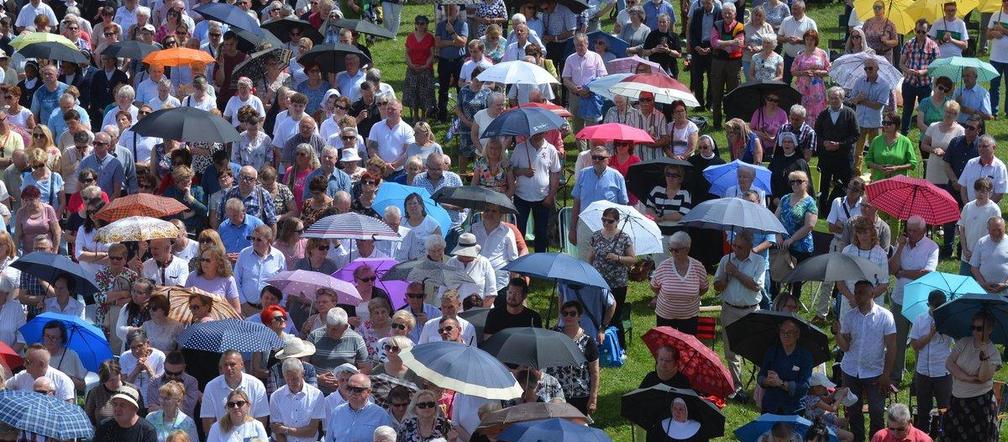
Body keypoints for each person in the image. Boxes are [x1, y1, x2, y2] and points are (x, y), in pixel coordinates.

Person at [835, 280, 897, 442]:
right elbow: (845, 347)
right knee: (854, 412)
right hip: (850, 370)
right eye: (856, 292)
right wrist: (837, 334)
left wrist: (886, 374)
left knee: (877, 412)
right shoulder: (850, 316)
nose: (857, 295)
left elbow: (892, 347)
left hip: (875, 372)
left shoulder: (885, 316)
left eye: (861, 292)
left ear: (872, 294)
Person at [714, 230, 766, 401]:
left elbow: (756, 286)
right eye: (734, 245)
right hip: (729, 309)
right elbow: (717, 287)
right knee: (731, 351)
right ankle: (737, 387)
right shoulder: (725, 260)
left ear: (750, 247)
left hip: (751, 311)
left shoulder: (759, 262)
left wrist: (736, 273)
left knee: (758, 350)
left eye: (740, 247)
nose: (735, 249)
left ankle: (761, 388)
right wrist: (726, 276)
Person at [944, 311, 1001, 439]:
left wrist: (985, 354)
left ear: (989, 330)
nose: (975, 332)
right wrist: (967, 378)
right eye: (973, 327)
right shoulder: (964, 342)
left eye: (979, 328)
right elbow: (949, 363)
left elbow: (983, 377)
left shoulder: (993, 352)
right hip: (957, 400)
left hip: (980, 404)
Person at [907, 290, 953, 431]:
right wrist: (931, 334)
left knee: (944, 408)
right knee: (923, 409)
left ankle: (944, 435)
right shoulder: (920, 320)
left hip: (942, 371)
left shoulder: (950, 319)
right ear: (929, 304)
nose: (938, 309)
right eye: (935, 306)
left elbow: (959, 340)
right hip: (923, 372)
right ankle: (923, 435)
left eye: (941, 305)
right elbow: (915, 345)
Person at [571, 146, 629, 253]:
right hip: (585, 225)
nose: (597, 160)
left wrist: (619, 230)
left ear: (608, 159)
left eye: (600, 158)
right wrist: (572, 229)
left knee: (606, 262)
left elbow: (623, 206)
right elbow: (576, 203)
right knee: (585, 263)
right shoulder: (583, 174)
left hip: (608, 225)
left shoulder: (617, 177)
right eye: (594, 157)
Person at [650, 231, 708, 334]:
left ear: (687, 249)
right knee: (666, 348)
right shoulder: (663, 266)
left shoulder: (698, 267)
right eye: (670, 249)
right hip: (665, 315)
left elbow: (704, 288)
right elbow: (654, 286)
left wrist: (690, 296)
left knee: (687, 349)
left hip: (689, 316)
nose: (673, 253)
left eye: (676, 250)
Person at [200, 351, 269, 433]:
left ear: (242, 365)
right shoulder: (211, 387)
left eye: (232, 364)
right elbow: (207, 425)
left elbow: (262, 422)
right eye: (225, 365)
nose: (229, 368)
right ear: (221, 367)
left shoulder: (257, 385)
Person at [307, 307, 370, 395]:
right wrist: (316, 378)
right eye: (328, 326)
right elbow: (304, 364)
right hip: (317, 391)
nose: (329, 331)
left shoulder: (356, 339)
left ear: (345, 327)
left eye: (334, 329)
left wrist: (346, 379)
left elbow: (366, 368)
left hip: (346, 393)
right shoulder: (315, 336)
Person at [562, 33, 608, 151]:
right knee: (578, 129)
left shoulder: (596, 57)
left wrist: (588, 89)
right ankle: (583, 154)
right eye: (577, 45)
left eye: (581, 45)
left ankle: (593, 152)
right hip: (576, 96)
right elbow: (565, 79)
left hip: (591, 97)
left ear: (587, 44)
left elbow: (603, 76)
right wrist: (574, 88)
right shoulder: (570, 59)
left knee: (592, 128)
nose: (579, 48)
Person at [776, 170, 818, 298]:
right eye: (792, 181)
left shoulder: (810, 202)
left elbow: (809, 225)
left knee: (796, 281)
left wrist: (792, 239)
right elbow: (775, 218)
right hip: (782, 244)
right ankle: (777, 301)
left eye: (799, 181)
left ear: (806, 183)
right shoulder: (785, 198)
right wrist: (778, 235)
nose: (795, 184)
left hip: (801, 247)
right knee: (776, 273)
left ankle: (793, 304)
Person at [758, 318, 813, 414]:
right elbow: (760, 376)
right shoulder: (772, 351)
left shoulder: (805, 356)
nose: (785, 335)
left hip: (793, 408)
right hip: (770, 405)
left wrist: (781, 384)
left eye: (789, 332)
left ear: (797, 334)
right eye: (782, 332)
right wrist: (766, 381)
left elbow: (804, 386)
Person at [268, 358, 325, 442]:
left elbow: (311, 431)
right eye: (288, 379)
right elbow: (278, 432)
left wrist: (285, 430)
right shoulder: (276, 396)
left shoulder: (316, 395)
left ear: (302, 374)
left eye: (295, 378)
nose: (291, 382)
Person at [901, 19, 941, 133]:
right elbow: (901, 63)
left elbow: (936, 66)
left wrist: (923, 72)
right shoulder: (908, 44)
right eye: (918, 31)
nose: (920, 34)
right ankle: (904, 135)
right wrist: (908, 70)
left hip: (925, 84)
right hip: (909, 82)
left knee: (924, 112)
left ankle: (924, 136)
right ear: (915, 30)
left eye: (923, 32)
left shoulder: (933, 46)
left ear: (927, 30)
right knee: (907, 111)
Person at [851, 58, 889, 174]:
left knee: (875, 152)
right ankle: (856, 175)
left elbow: (878, 105)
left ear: (877, 68)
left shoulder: (884, 85)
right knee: (857, 152)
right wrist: (858, 99)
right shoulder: (859, 81)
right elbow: (852, 100)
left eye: (870, 68)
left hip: (875, 123)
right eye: (865, 68)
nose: (867, 70)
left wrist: (862, 100)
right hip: (859, 122)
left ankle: (875, 175)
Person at [183, 246, 241, 312]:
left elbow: (236, 310)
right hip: (195, 318)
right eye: (202, 260)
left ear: (218, 262)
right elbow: (184, 301)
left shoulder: (228, 280)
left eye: (208, 260)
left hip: (219, 320)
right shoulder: (192, 276)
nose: (204, 263)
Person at [446, 233, 497, 306]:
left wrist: (478, 313)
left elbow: (491, 294)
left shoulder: (484, 263)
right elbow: (443, 292)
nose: (465, 257)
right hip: (456, 313)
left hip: (480, 312)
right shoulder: (451, 263)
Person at [93, 385, 158, 441]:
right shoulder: (105, 427)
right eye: (115, 404)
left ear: (134, 409)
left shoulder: (147, 431)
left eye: (122, 405)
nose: (117, 408)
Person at [865, 114, 919, 181]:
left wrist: (897, 168)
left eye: (889, 123)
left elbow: (913, 163)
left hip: (898, 182)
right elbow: (868, 160)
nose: (885, 125)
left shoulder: (905, 142)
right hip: (878, 181)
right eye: (884, 123)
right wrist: (878, 167)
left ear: (897, 125)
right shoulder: (876, 140)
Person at [119, 329, 166, 405]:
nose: (137, 350)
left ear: (147, 343)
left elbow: (160, 385)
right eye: (133, 348)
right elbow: (124, 385)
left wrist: (147, 368)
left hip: (153, 400)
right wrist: (137, 369)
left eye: (140, 346)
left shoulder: (159, 356)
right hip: (132, 399)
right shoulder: (125, 357)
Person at [687, 0, 719, 111]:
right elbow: (692, 31)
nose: (706, 6)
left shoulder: (719, 12)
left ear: (713, 2)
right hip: (698, 48)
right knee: (697, 77)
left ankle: (710, 103)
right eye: (704, 3)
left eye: (708, 3)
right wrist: (695, 47)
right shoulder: (697, 12)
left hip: (712, 48)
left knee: (712, 77)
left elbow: (720, 33)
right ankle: (699, 104)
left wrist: (711, 47)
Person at [957, 135, 1007, 203]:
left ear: (994, 147)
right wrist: (968, 206)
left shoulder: (1000, 167)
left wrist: (984, 208)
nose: (981, 149)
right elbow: (963, 187)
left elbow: (999, 193)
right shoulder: (971, 163)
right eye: (979, 146)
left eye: (984, 146)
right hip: (970, 209)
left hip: (989, 211)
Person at [777, 1, 817, 84]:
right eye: (792, 9)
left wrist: (799, 41)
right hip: (788, 57)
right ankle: (787, 97)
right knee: (785, 82)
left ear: (803, 9)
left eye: (796, 9)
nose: (793, 11)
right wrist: (787, 39)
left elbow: (815, 41)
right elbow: (779, 38)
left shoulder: (810, 23)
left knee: (805, 82)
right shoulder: (786, 20)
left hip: (805, 58)